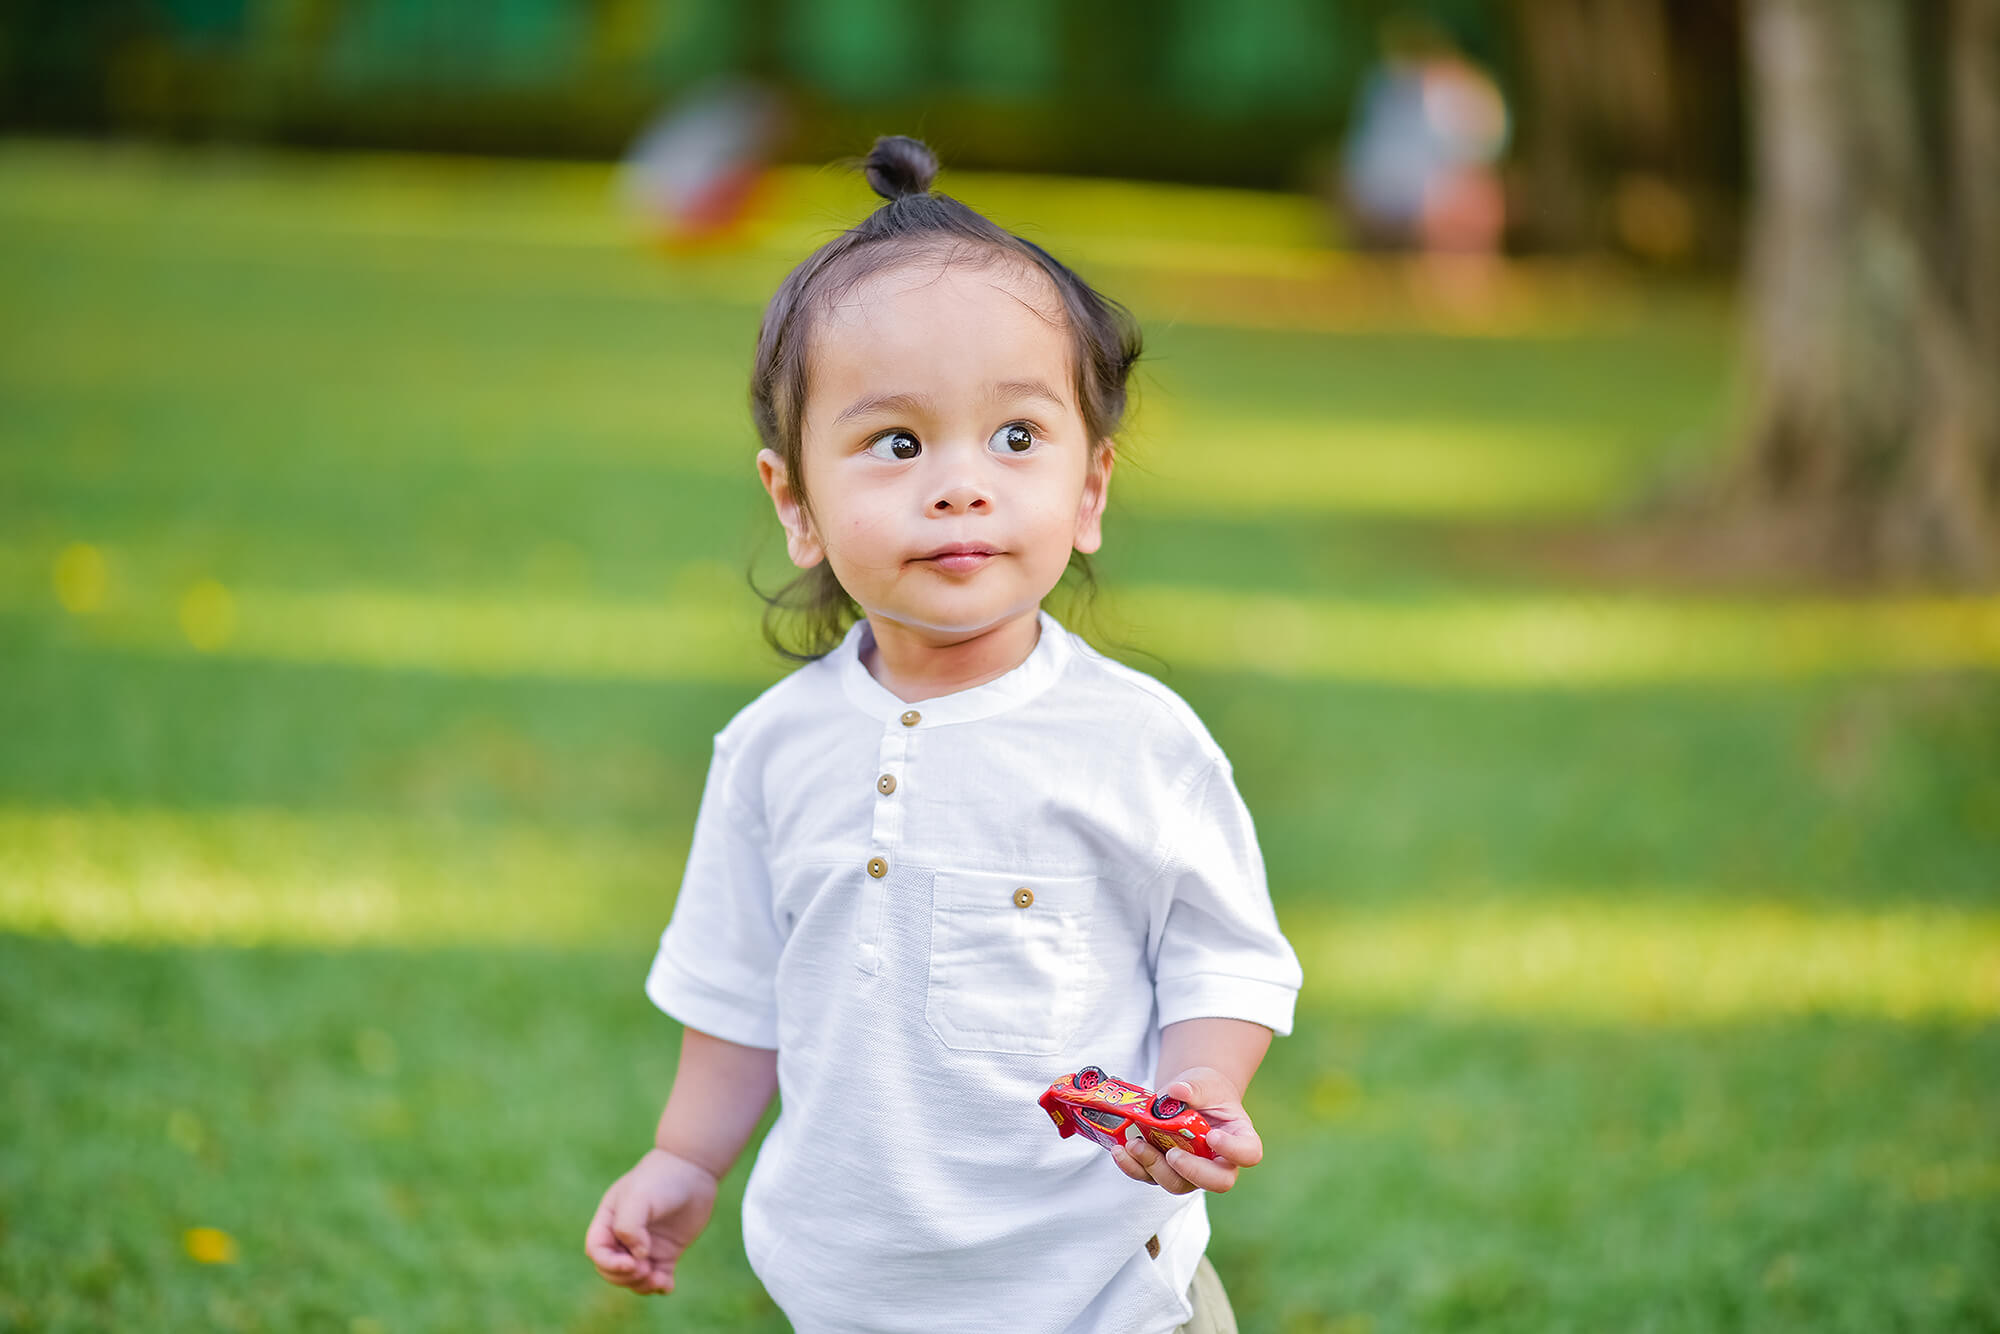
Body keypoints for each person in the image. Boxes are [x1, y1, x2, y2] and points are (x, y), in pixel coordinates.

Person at [583, 135, 1303, 1334]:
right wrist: (685, 1160)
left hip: (1098, 1292)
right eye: (898, 444)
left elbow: (1225, 954)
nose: (960, 484)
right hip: (852, 1289)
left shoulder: (1135, 740)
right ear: (794, 502)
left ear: (1089, 492)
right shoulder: (770, 749)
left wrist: (1202, 1082)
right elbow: (734, 983)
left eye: (1016, 437)